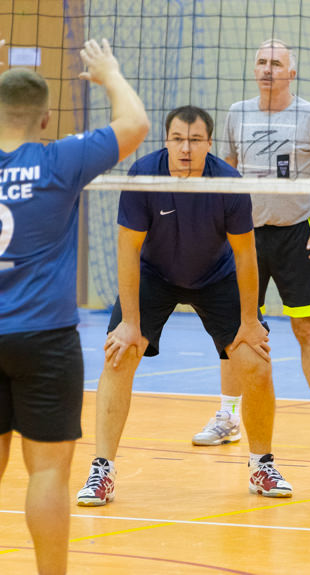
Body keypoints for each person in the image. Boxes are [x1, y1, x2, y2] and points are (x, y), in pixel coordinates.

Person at [75, 105, 293, 507]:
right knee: (120, 354)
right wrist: (130, 324)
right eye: (178, 139)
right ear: (166, 141)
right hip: (153, 274)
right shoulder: (145, 175)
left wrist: (248, 321)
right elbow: (128, 249)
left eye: (194, 140)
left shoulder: (228, 183)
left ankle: (262, 464)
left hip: (216, 275)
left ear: (210, 144)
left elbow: (246, 255)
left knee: (256, 360)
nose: (186, 148)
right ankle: (101, 469)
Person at [0, 39, 149, 573]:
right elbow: (135, 124)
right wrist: (108, 72)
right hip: (45, 340)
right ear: (45, 120)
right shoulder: (60, 159)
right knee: (47, 475)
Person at [199, 38, 310, 451]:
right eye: (261, 61)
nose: (267, 69)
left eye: (276, 63)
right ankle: (227, 416)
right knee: (237, 329)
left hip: (294, 233)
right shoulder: (236, 114)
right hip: (244, 237)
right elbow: (225, 174)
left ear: (290, 73)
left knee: (307, 327)